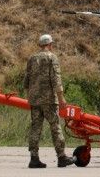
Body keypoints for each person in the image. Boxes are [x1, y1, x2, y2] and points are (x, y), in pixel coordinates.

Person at [24, 34, 74, 168]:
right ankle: (61, 157)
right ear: (50, 45)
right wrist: (61, 98)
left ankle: (34, 158)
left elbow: (26, 80)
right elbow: (56, 79)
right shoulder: (52, 57)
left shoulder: (32, 58)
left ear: (40, 45)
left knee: (35, 127)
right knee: (55, 127)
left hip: (35, 100)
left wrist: (30, 96)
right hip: (49, 100)